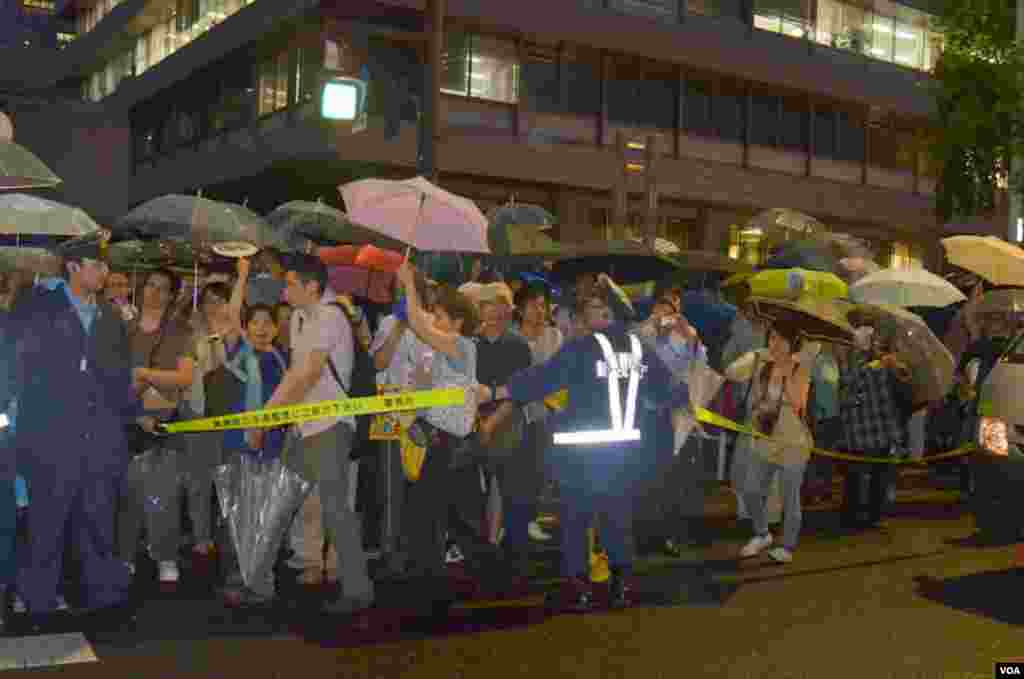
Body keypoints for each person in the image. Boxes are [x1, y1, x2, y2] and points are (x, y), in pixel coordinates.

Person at [480, 297, 684, 611]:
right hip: (624, 453)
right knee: (617, 518)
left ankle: (579, 589)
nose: (584, 316)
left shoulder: (583, 348)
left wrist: (496, 391)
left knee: (576, 520)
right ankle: (622, 586)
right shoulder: (639, 349)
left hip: (582, 454)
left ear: (606, 314)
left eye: (592, 309)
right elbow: (670, 391)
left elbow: (543, 378)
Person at [13, 234, 143, 621]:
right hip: (50, 435)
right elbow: (19, 370)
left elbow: (120, 379)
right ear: (74, 267)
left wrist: (131, 418)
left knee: (99, 518)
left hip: (100, 437)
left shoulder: (110, 318)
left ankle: (104, 594)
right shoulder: (37, 309)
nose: (105, 272)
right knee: (46, 522)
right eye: (97, 265)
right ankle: (37, 597)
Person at [245, 254, 374, 614]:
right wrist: (269, 417)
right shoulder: (301, 318)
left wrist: (265, 420)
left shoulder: (331, 317)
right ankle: (258, 582)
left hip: (330, 426)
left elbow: (307, 375)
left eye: (290, 284)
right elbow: (294, 376)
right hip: (303, 426)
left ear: (312, 286)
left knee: (335, 509)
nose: (283, 290)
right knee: (280, 501)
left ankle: (358, 590)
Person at [727, 323, 816, 563]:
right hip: (766, 437)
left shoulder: (800, 368)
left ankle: (787, 545)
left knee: (790, 497)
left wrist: (785, 374)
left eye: (781, 339)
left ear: (793, 343)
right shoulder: (764, 366)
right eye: (772, 338)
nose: (775, 343)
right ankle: (762, 533)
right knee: (751, 489)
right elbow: (753, 394)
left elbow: (798, 403)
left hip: (793, 441)